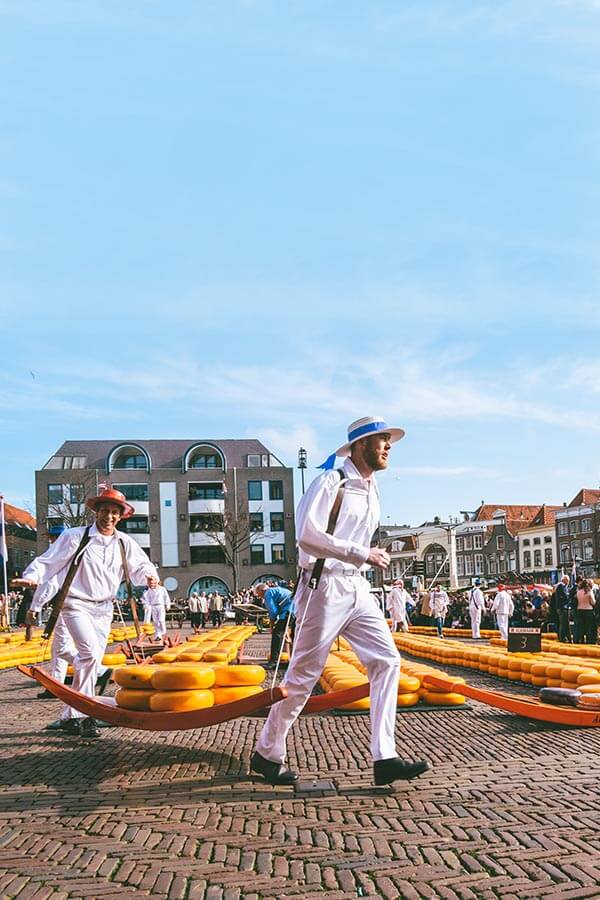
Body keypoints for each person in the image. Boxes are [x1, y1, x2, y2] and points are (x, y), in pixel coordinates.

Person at [251, 415, 429, 787]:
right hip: (324, 586)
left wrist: (363, 557)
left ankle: (385, 756)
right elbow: (307, 536)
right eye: (381, 440)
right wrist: (361, 553)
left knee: (387, 660)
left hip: (356, 587)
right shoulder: (331, 481)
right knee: (302, 676)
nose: (388, 446)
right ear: (360, 445)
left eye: (388, 440)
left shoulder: (373, 487)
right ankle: (267, 753)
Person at [13, 487, 159, 739]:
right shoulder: (75, 537)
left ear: (121, 516)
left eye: (114, 512)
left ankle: (72, 715)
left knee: (87, 660)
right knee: (90, 654)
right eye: (105, 511)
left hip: (104, 609)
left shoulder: (125, 542)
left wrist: (150, 577)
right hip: (75, 604)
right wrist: (32, 578)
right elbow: (49, 562)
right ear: (96, 511)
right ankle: (88, 713)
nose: (109, 517)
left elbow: (141, 566)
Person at [254, 581, 295, 668]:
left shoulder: (268, 593)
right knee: (294, 636)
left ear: (262, 590)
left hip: (288, 611)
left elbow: (273, 612)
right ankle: (294, 661)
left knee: (277, 634)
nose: (260, 597)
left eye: (259, 594)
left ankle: (273, 661)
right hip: (297, 609)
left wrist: (272, 627)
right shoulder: (277, 590)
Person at [575, 578, 597, 645]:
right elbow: (593, 602)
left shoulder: (578, 592)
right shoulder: (589, 591)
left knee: (581, 627)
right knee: (588, 627)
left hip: (579, 610)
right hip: (588, 610)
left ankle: (581, 641)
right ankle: (588, 641)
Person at [555, 575, 572, 643]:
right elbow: (565, 596)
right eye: (567, 580)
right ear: (564, 580)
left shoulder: (561, 586)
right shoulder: (561, 586)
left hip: (561, 607)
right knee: (563, 623)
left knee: (564, 623)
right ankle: (562, 638)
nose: (568, 582)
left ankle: (565, 637)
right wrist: (569, 597)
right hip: (562, 607)